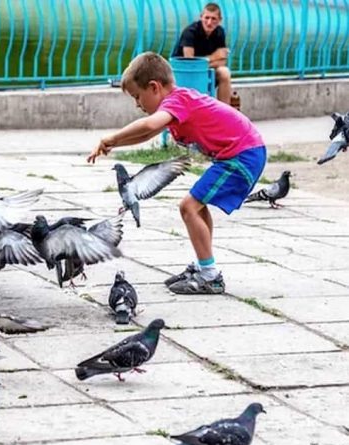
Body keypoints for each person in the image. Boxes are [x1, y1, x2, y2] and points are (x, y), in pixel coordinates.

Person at [87, 52, 266, 295]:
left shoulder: (177, 101)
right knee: (197, 207)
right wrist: (114, 145)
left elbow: (149, 126)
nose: (137, 105)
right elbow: (148, 134)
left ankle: (210, 275)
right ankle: (204, 264)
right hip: (240, 152)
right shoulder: (178, 101)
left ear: (154, 87)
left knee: (188, 207)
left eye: (137, 97)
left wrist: (111, 137)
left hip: (242, 155)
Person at [173, 3, 231, 104]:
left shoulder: (220, 32)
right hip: (183, 72)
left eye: (214, 19)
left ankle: (225, 111)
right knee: (196, 72)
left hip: (205, 69)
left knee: (224, 72)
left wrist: (204, 63)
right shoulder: (190, 32)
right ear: (201, 17)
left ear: (219, 20)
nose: (209, 22)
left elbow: (222, 61)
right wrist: (215, 56)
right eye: (206, 18)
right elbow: (190, 63)